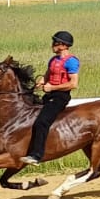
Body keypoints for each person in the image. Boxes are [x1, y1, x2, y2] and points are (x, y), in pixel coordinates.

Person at [21, 30, 79, 165]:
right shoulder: (53, 60)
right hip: (49, 94)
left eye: (55, 42)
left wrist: (52, 88)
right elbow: (47, 75)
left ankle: (36, 155)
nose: (52, 44)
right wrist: (41, 82)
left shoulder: (71, 62)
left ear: (63, 45)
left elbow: (73, 84)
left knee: (42, 122)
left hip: (60, 97)